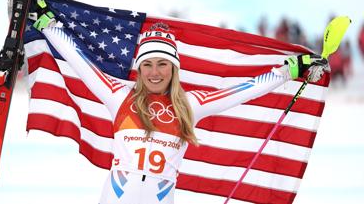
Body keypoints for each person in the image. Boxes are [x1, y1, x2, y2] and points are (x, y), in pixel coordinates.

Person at [38, 22, 327, 204]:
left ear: (174, 69)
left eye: (162, 64)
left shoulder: (190, 104)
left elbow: (246, 89)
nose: (154, 73)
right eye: (148, 64)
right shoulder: (119, 95)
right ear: (138, 68)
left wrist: (290, 70)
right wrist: (47, 23)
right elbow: (79, 59)